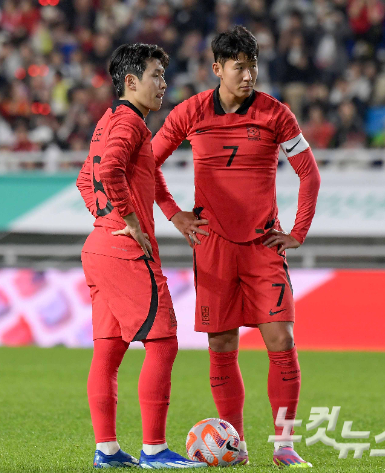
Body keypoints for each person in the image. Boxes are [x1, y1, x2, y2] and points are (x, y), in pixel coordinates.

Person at [151, 26, 321, 468]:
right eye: (239, 68)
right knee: (222, 344)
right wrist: (175, 214)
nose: (248, 76)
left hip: (264, 246)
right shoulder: (189, 112)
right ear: (217, 69)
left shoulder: (276, 113)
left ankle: (284, 445)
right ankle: (236, 445)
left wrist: (298, 232)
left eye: (253, 67)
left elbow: (309, 173)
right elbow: (147, 163)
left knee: (281, 338)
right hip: (213, 247)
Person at [76, 43, 206, 469]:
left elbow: (86, 179)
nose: (163, 85)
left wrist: (170, 216)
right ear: (131, 82)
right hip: (125, 253)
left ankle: (107, 450)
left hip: (98, 248)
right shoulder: (130, 122)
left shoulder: (110, 121)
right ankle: (154, 450)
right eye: (156, 76)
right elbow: (111, 170)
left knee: (109, 353)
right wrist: (129, 219)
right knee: (163, 340)